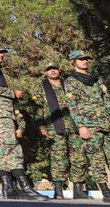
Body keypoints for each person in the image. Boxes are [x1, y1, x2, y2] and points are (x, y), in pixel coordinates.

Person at [0, 44, 47, 200]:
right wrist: (13, 93)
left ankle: (8, 188)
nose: (2, 55)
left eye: (2, 53)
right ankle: (27, 188)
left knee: (3, 152)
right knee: (13, 149)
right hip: (1, 114)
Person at [64, 50, 110, 203]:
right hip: (89, 125)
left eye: (86, 59)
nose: (85, 61)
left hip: (106, 123)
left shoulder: (96, 81)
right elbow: (72, 106)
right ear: (73, 62)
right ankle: (106, 191)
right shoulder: (71, 82)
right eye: (81, 59)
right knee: (96, 158)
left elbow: (107, 102)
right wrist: (81, 126)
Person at [31, 62, 89, 200]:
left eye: (55, 68)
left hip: (74, 126)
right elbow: (37, 110)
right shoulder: (40, 88)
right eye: (49, 69)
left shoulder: (69, 85)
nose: (52, 71)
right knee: (59, 160)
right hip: (54, 128)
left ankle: (78, 190)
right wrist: (41, 126)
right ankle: (58, 191)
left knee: (79, 157)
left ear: (59, 70)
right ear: (45, 72)